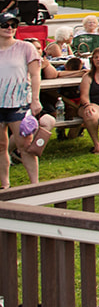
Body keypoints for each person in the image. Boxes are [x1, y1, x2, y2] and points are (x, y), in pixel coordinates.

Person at [0, 14, 44, 189]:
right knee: (1, 146)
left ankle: (35, 185)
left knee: (25, 145)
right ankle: (4, 185)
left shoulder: (25, 47)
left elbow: (35, 75)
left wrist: (35, 99)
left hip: (18, 103)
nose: (9, 27)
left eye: (13, 25)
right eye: (5, 24)